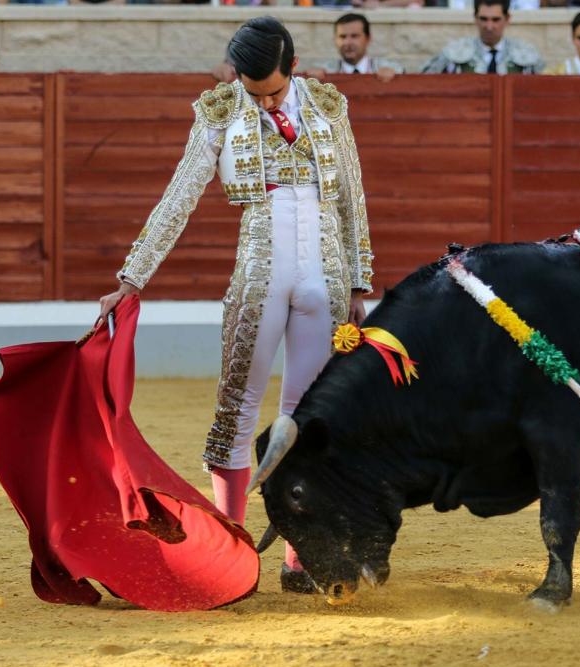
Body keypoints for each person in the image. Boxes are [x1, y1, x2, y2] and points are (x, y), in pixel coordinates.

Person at [99, 16, 374, 594]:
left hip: (324, 277)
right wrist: (132, 277)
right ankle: (233, 554)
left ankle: (300, 555)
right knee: (236, 410)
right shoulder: (220, 111)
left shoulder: (327, 105)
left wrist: (358, 284)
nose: (263, 101)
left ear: (293, 68)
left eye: (272, 90)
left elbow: (350, 195)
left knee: (306, 417)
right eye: (253, 91)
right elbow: (181, 194)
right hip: (259, 275)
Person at [422, 0, 546, 75]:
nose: (489, 26)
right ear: (475, 18)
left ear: (507, 19)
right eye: (484, 19)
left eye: (495, 20)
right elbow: (425, 81)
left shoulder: (527, 55)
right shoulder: (453, 53)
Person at [305, 14, 404, 83]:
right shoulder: (323, 71)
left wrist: (395, 74)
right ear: (335, 40)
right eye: (343, 37)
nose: (348, 42)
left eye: (354, 36)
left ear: (368, 38)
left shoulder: (391, 69)